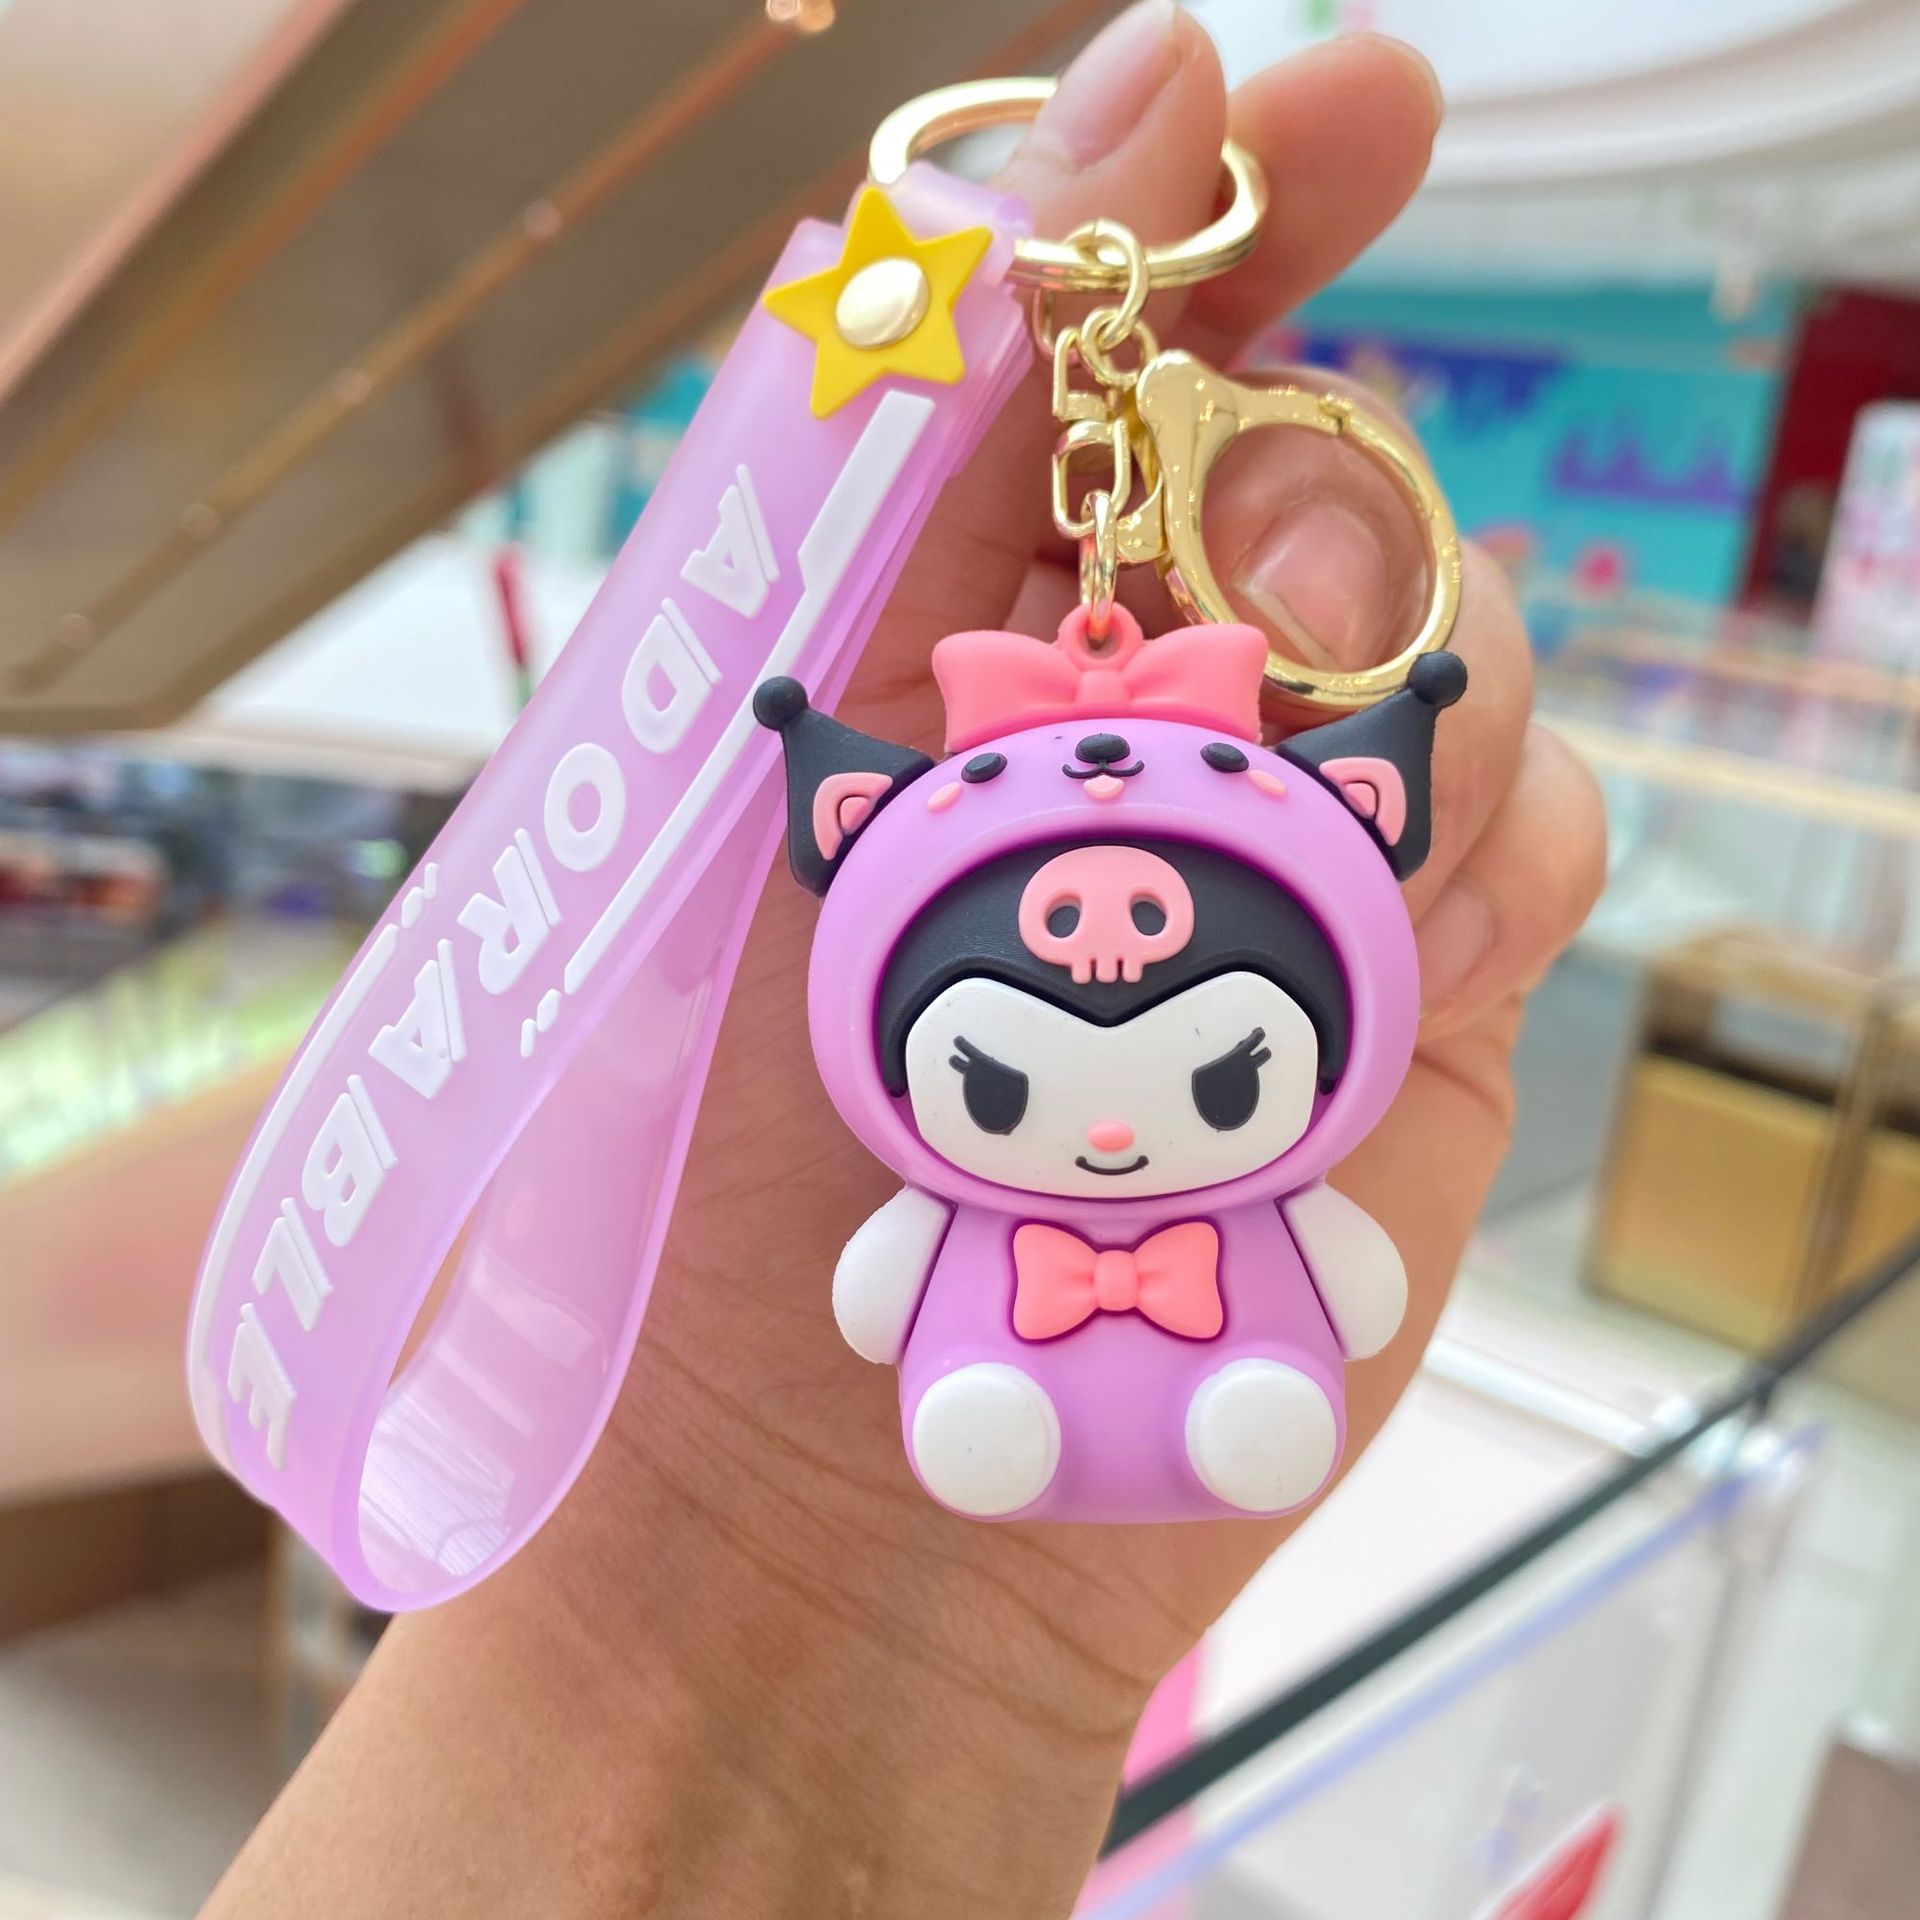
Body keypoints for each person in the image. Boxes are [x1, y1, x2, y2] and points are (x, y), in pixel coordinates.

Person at [203, 7, 1605, 1914]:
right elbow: (889, 1282)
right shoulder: (909, 1058)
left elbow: (995, 1279)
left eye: (1218, 1072)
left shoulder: (1207, 1110)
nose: (1105, 1128)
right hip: (965, 1401)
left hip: (1105, 1404)